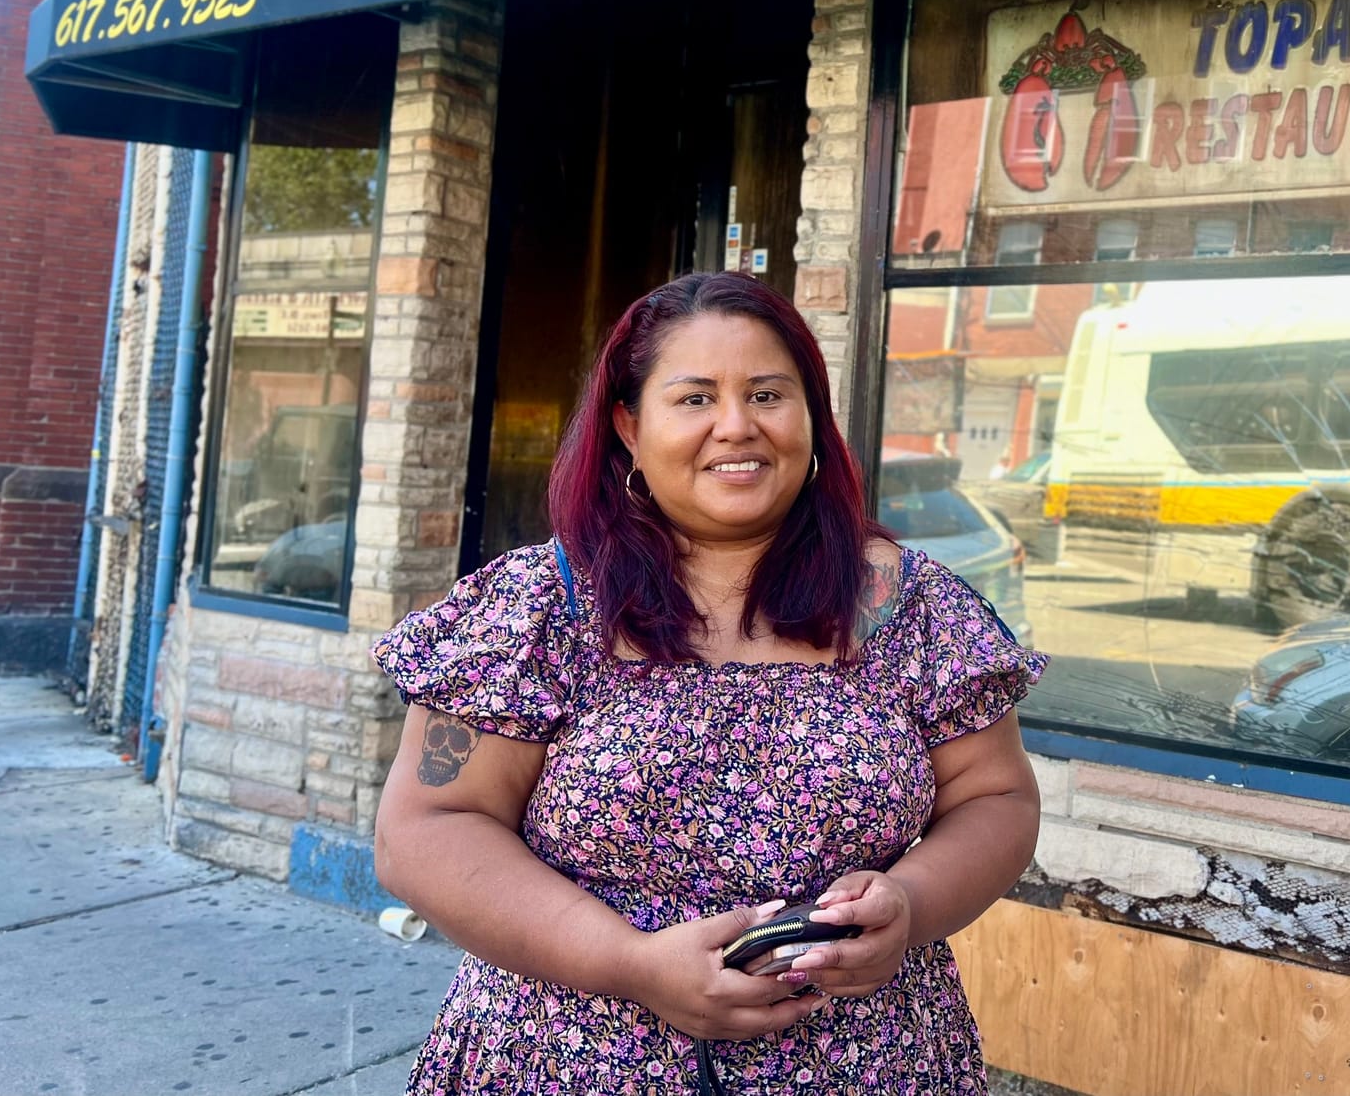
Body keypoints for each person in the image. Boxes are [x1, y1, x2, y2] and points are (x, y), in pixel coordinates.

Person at [373, 272, 1047, 1094]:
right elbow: (426, 828)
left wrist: (910, 904)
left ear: (811, 416)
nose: (737, 426)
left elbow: (996, 799)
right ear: (628, 425)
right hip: (567, 1057)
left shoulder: (909, 605)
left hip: (869, 1063)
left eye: (767, 394)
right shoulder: (536, 608)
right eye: (695, 398)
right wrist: (630, 962)